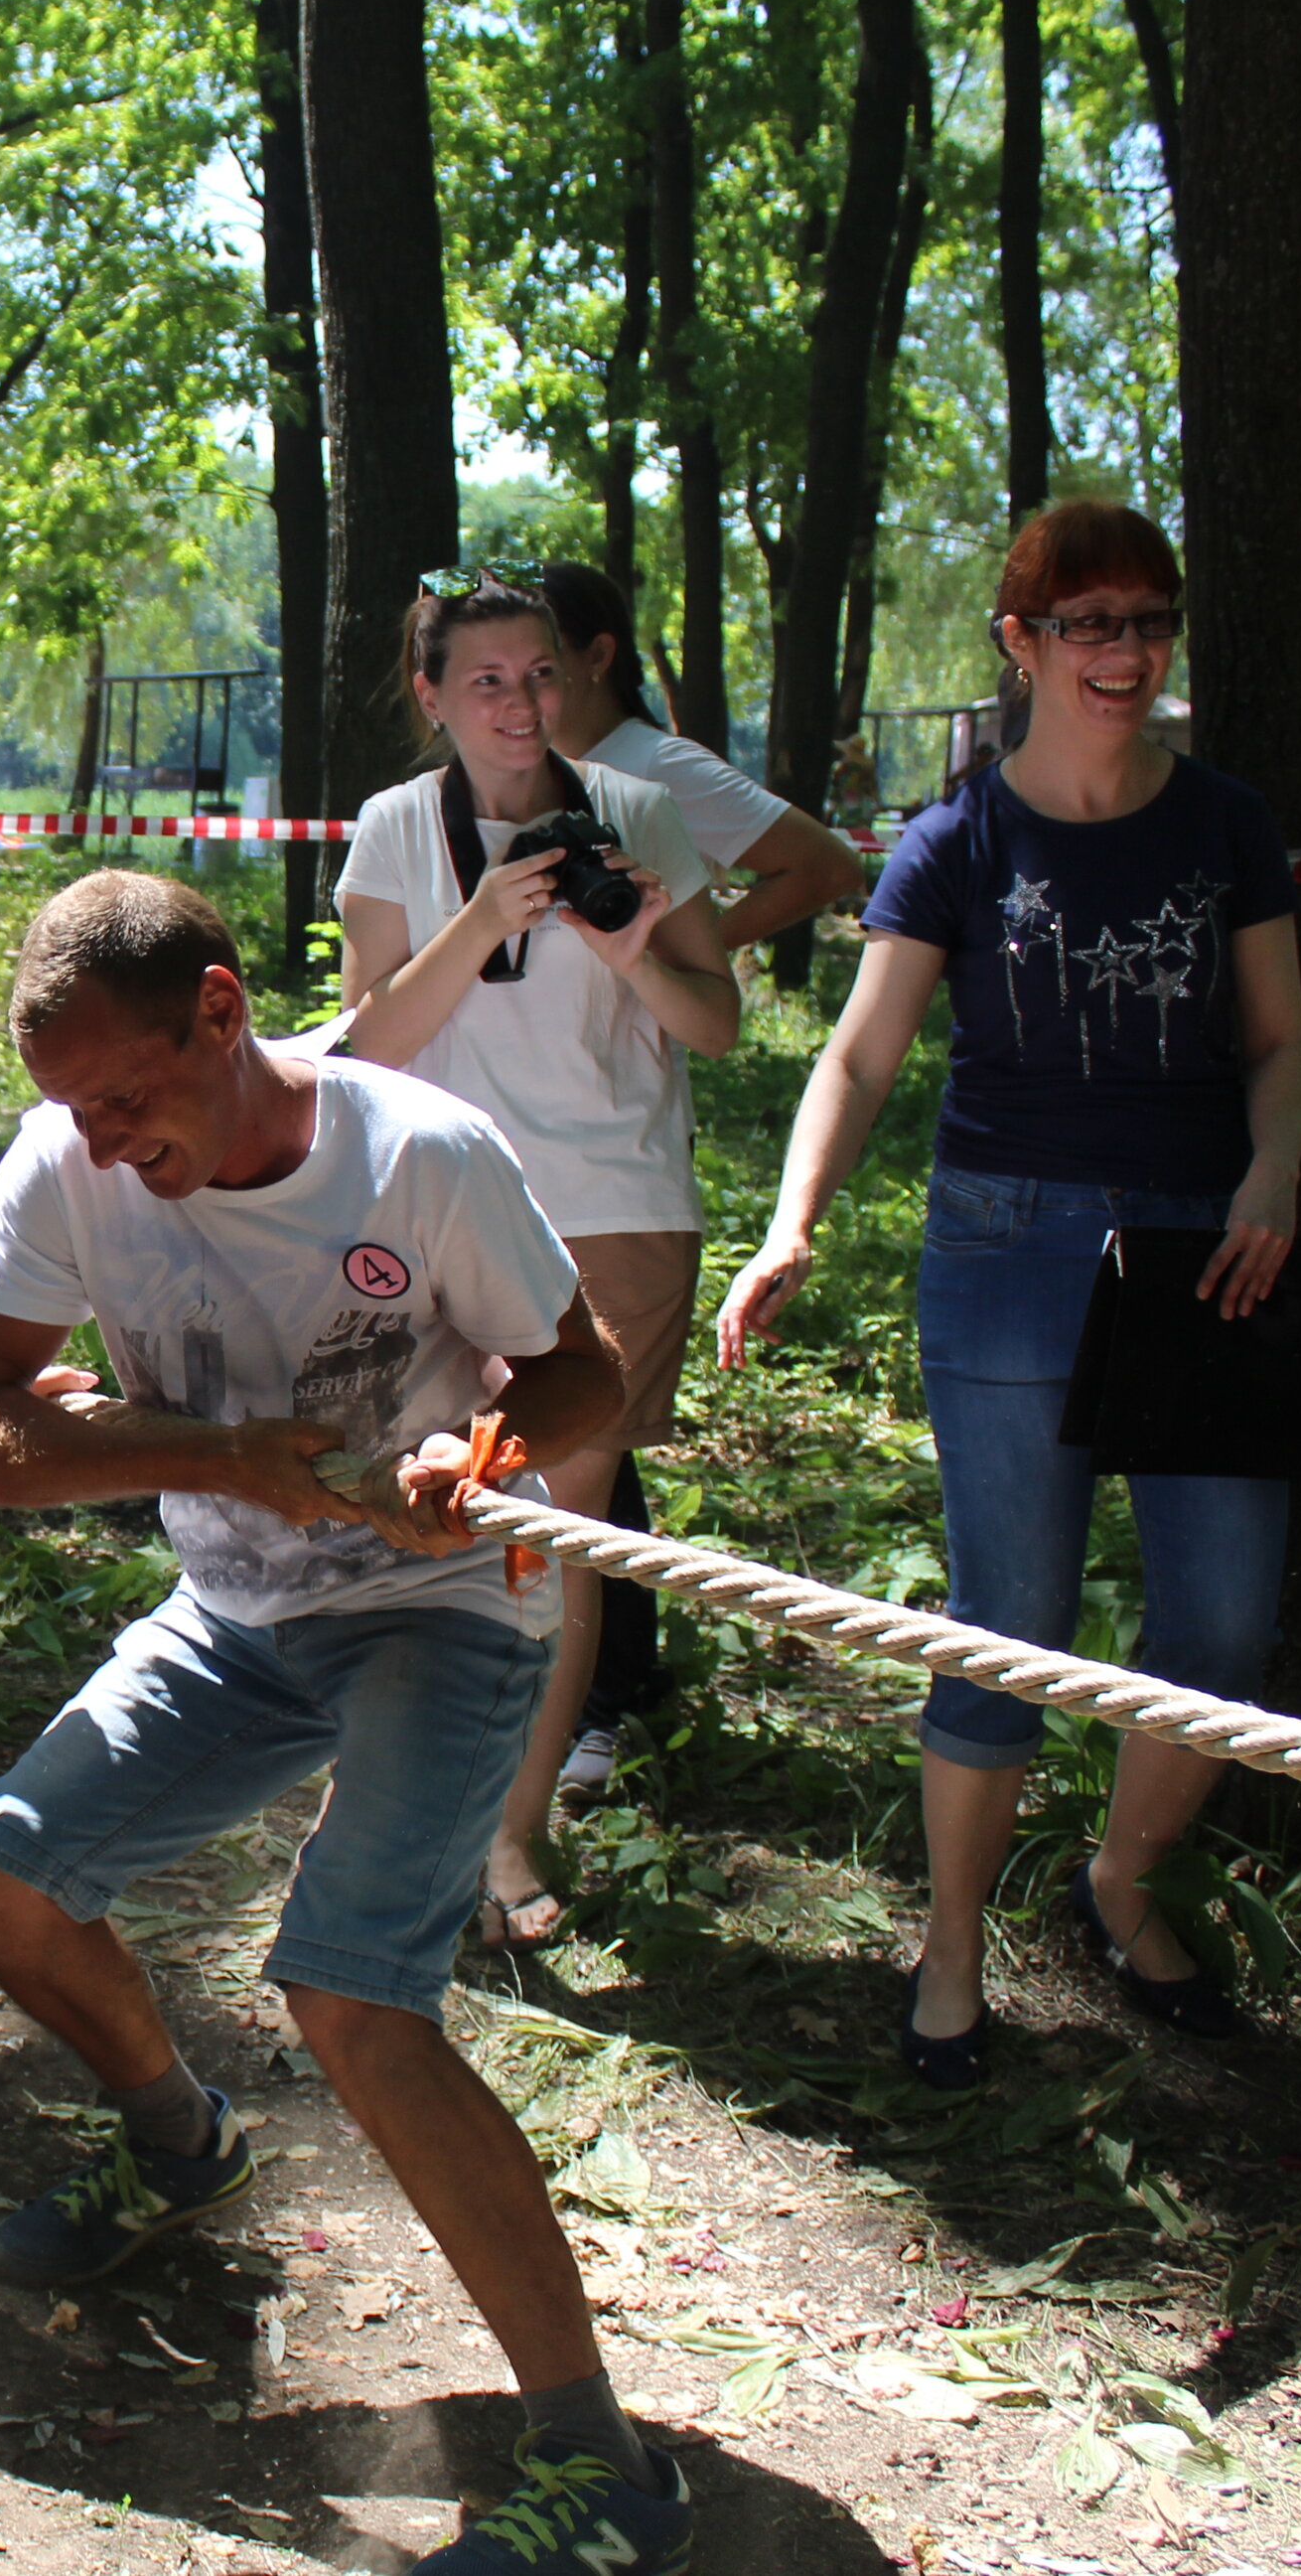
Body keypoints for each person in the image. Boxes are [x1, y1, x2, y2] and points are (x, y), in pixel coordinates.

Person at [0, 871, 690, 2572]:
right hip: (237, 1609)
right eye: (70, 1107)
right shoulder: (65, 1165)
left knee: (351, 1998)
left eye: (126, 1093)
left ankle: (601, 2460)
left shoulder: (422, 1156)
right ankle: (179, 2147)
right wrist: (219, 1460)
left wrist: (478, 1461)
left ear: (220, 1005)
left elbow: (578, 1374)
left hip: (435, 1609)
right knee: (3, 1880)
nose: (103, 1141)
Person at [714, 499, 1301, 2090]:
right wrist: (790, 1224)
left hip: (1204, 1251)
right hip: (1004, 1248)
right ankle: (955, 1947)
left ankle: (1119, 1883)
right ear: (1023, 641)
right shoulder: (955, 840)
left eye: (1150, 621)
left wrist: (1272, 1175)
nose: (1126, 653)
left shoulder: (1228, 823)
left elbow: (1280, 1043)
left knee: (1223, 1623)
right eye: (1090, 622)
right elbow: (857, 1052)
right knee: (1009, 1625)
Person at [337, 575, 742, 1948]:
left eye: (541, 675)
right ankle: (406, 1815)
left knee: (552, 1545)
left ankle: (510, 1839)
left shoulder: (641, 815)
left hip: (618, 1212)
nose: (521, 703)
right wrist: (482, 915)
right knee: (427, 1524)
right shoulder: (398, 829)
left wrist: (625, 944)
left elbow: (720, 1024)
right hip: (443, 1208)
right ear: (434, 694)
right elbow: (369, 1046)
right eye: (489, 680)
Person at [533, 559, 864, 1794]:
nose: (524, 686)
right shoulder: (498, 786)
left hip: (620, 1170)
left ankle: (608, 1692)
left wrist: (676, 944)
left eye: (546, 660)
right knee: (554, 1444)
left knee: (586, 1449)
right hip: (519, 1169)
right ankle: (571, 1688)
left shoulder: (655, 773)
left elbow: (821, 867)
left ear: (600, 654)